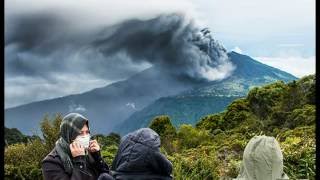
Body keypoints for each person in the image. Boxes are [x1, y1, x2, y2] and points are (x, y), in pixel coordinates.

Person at [42, 113, 114, 180]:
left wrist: (97, 156)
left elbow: (107, 175)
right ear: (68, 135)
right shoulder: (51, 162)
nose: (85, 137)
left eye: (87, 132)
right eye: (80, 133)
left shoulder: (87, 152)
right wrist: (79, 162)